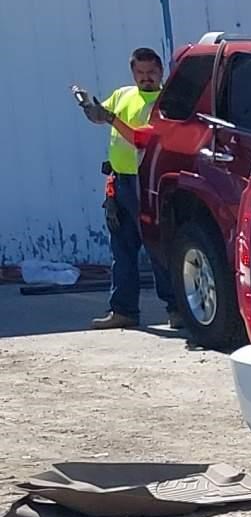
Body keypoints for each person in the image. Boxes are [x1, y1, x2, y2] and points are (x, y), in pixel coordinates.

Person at [71, 47, 172, 330]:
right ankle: (123, 310)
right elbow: (99, 117)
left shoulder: (166, 102)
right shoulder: (122, 95)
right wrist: (90, 109)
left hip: (147, 184)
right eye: (140, 73)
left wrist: (110, 118)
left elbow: (141, 138)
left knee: (158, 249)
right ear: (132, 73)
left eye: (151, 72)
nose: (146, 78)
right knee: (122, 250)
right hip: (120, 183)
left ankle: (176, 309)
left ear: (161, 71)